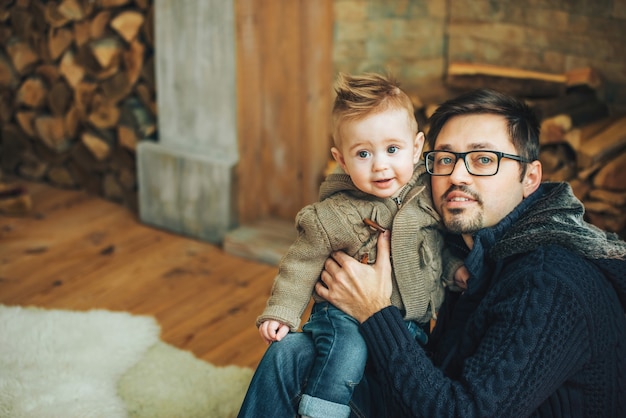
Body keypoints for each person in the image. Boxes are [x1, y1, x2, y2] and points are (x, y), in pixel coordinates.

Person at [238, 88, 626, 417]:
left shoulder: (547, 283)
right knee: (290, 354)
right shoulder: (468, 247)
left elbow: (462, 411)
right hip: (438, 397)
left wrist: (375, 312)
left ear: (530, 178)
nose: (457, 175)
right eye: (445, 159)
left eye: (483, 159)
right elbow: (438, 368)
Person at [253, 73, 462, 418]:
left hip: (411, 324)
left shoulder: (426, 198)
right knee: (346, 353)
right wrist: (282, 311)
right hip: (342, 316)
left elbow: (437, 249)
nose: (380, 165)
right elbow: (300, 263)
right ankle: (321, 411)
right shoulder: (334, 214)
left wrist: (456, 270)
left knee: (403, 372)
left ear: (416, 147)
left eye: (392, 149)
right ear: (341, 159)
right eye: (363, 153)